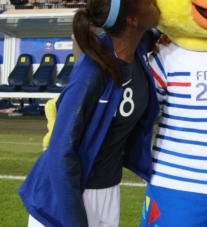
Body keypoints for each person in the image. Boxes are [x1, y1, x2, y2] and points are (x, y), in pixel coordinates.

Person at [18, 0, 160, 226]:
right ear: (132, 20)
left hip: (108, 189)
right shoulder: (91, 74)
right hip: (68, 196)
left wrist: (161, 37)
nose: (155, 3)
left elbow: (153, 33)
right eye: (148, 2)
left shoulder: (137, 44)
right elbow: (61, 152)